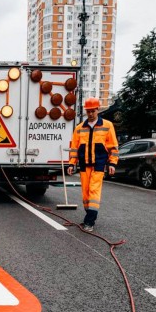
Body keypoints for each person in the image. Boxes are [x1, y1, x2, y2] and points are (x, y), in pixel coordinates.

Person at [66, 97, 118, 232]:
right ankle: (88, 216)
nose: (90, 114)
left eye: (92, 111)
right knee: (86, 194)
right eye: (88, 111)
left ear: (97, 110)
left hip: (99, 165)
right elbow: (74, 148)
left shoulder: (107, 125)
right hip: (84, 165)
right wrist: (71, 164)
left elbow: (113, 146)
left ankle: (89, 221)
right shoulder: (79, 128)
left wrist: (112, 163)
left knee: (94, 192)